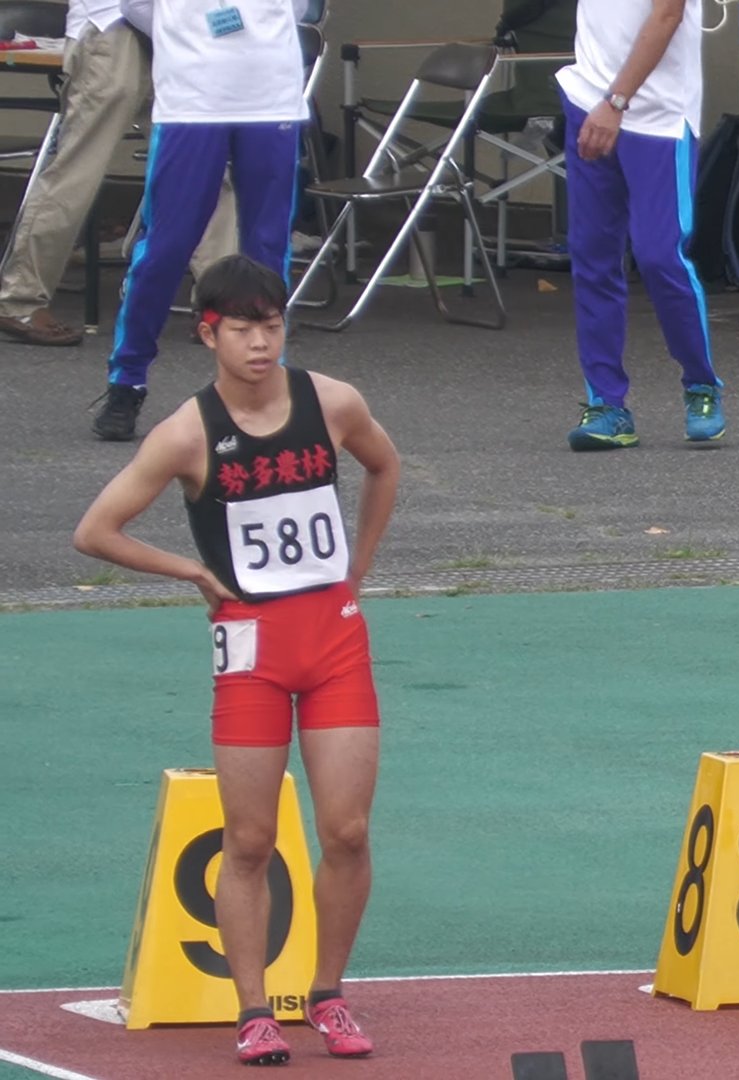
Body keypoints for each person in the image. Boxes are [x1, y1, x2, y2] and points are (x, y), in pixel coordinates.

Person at [72, 255, 399, 1066]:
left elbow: (384, 464)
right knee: (249, 839)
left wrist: (358, 566)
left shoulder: (331, 402)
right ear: (209, 334)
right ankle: (254, 1011)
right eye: (244, 329)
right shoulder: (186, 434)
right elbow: (96, 531)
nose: (261, 343)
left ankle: (328, 994)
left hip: (334, 639)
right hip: (251, 649)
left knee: (347, 830)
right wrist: (190, 570)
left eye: (273, 326)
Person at [92, 0, 306, 442]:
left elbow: (298, 7)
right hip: (190, 97)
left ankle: (267, 384)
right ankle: (127, 380)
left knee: (267, 248)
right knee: (166, 247)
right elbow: (135, 6)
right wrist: (185, 35)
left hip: (269, 94)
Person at [0, 1, 237, 348]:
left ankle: (223, 303)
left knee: (205, 167)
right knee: (81, 167)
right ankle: (21, 298)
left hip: (167, 30)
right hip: (118, 23)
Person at [555, 0, 726, 449]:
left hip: (658, 115)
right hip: (587, 99)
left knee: (658, 255)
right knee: (592, 254)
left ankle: (701, 383)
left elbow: (668, 14)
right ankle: (607, 404)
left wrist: (616, 102)